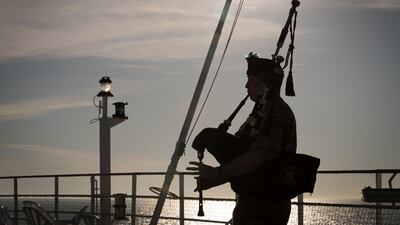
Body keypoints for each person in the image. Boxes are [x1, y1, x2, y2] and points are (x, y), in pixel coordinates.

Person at [187, 52, 297, 225]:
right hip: (251, 204)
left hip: (266, 209)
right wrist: (214, 180)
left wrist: (217, 172)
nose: (246, 85)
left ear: (266, 82)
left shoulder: (276, 113)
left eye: (251, 79)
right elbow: (241, 159)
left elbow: (258, 156)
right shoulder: (259, 114)